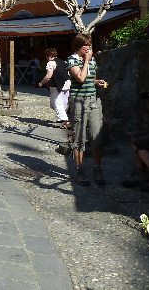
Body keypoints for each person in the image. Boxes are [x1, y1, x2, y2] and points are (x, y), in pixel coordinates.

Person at [66, 34, 108, 186]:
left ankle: (97, 168)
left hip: (94, 100)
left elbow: (89, 79)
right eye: (85, 45)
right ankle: (79, 170)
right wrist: (87, 61)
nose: (88, 47)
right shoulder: (72, 60)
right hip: (79, 102)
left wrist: (97, 82)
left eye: (89, 44)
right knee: (80, 136)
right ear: (78, 46)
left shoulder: (92, 60)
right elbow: (81, 78)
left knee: (96, 135)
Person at [39, 47, 70, 127]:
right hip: (67, 83)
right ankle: (63, 120)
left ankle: (65, 121)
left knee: (56, 103)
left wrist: (41, 83)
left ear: (48, 56)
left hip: (57, 85)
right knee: (63, 103)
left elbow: (48, 76)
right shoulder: (64, 62)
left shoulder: (51, 63)